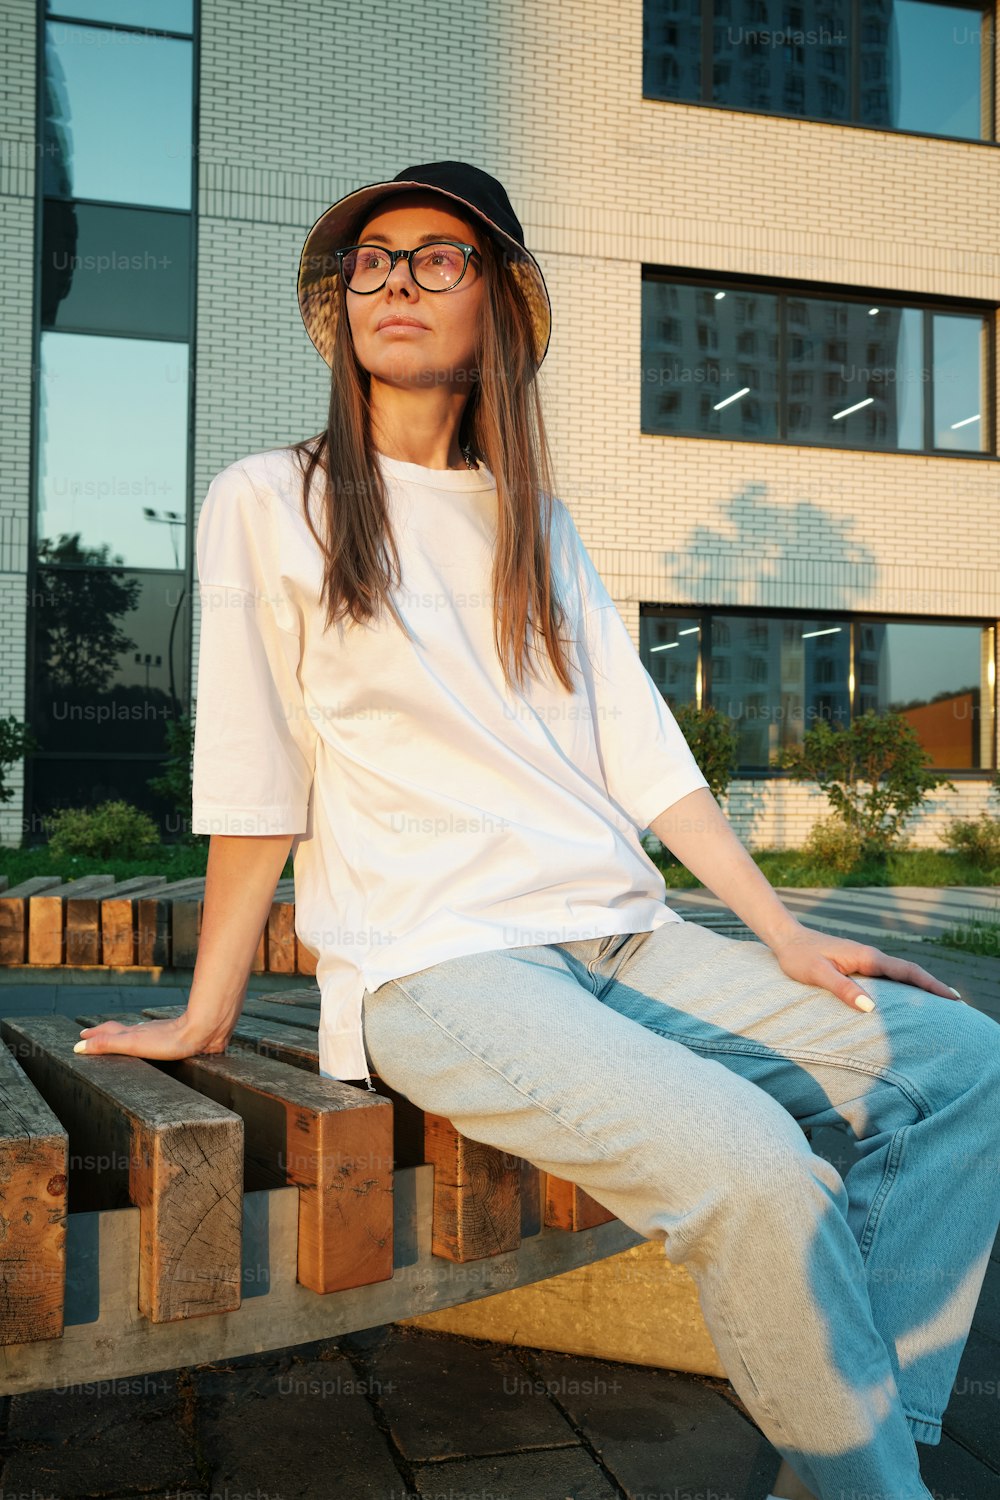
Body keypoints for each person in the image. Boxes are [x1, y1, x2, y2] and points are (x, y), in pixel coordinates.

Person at [75, 161, 1000, 1500]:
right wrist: (206, 1012)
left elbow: (644, 753)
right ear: (343, 306)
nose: (394, 279)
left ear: (498, 304)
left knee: (963, 1063)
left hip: (625, 939)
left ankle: (850, 1465)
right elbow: (255, 775)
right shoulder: (271, 499)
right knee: (757, 1171)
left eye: (436, 256)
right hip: (440, 969)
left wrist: (788, 937)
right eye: (372, 259)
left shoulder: (537, 522)